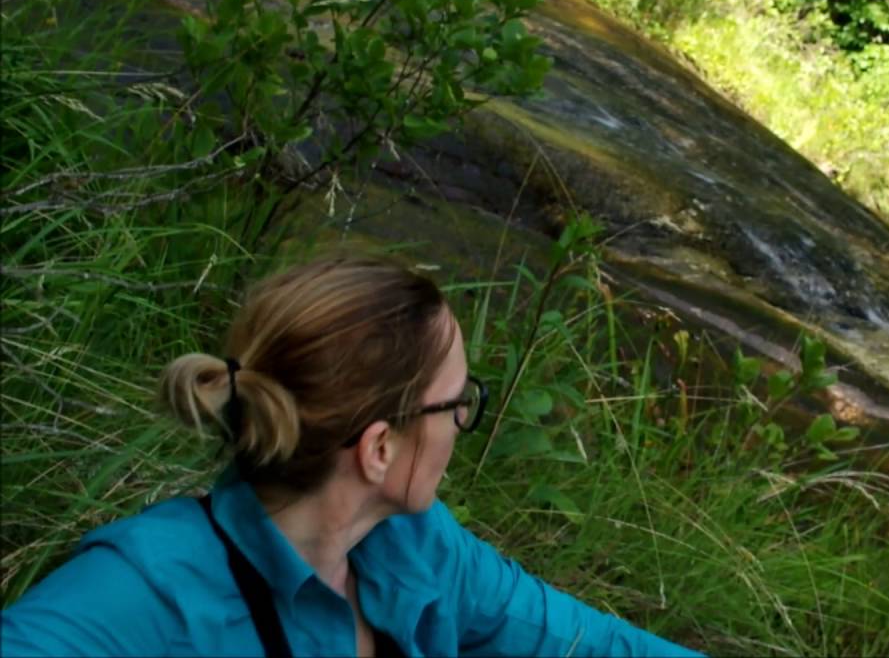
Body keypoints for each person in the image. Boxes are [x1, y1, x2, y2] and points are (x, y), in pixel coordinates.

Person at [1, 254, 701, 657]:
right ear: (378, 448)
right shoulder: (146, 596)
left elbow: (589, 647)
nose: (463, 421)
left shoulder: (414, 547)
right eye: (457, 402)